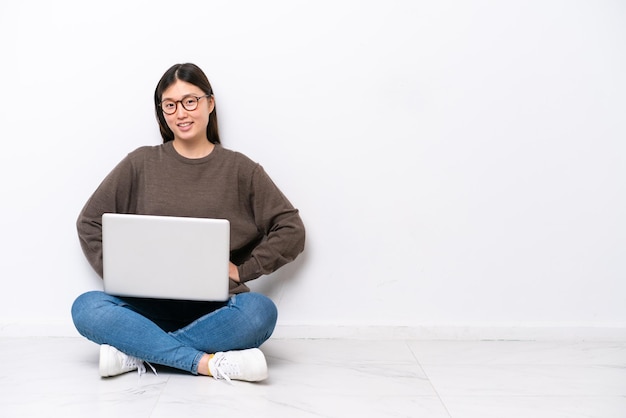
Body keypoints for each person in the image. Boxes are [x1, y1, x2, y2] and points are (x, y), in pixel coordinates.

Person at [71, 63, 305, 382]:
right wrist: (118, 273)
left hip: (216, 310)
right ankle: (206, 363)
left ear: (209, 103)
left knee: (261, 313)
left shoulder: (241, 170)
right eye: (170, 104)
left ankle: (135, 352)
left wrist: (242, 270)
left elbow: (291, 229)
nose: (181, 112)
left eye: (190, 101)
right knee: (87, 307)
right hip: (144, 308)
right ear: (162, 113)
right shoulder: (140, 163)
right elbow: (89, 222)